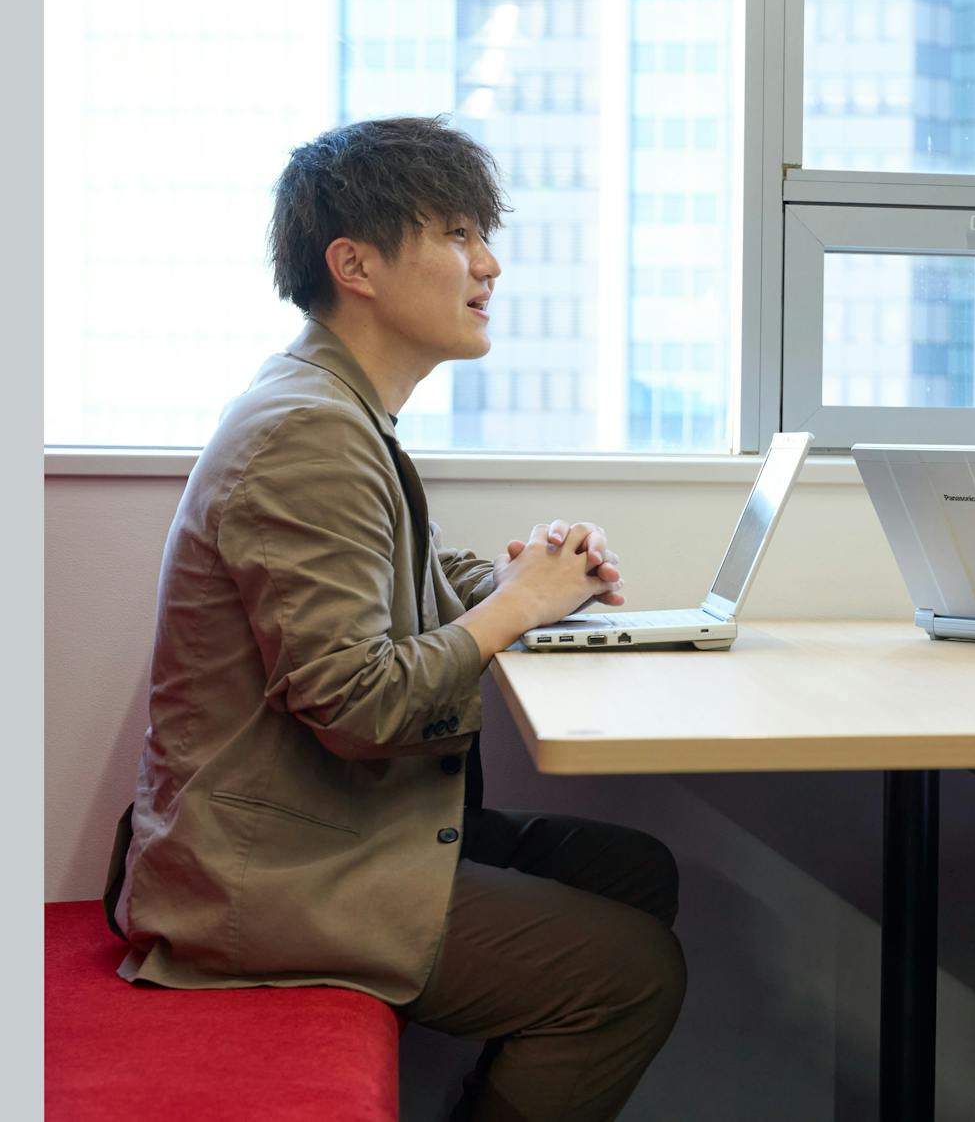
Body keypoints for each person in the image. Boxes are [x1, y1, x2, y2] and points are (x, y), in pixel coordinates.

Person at [104, 117, 686, 1122]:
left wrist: (529, 577)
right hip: (264, 876)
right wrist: (516, 605)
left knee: (631, 867)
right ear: (355, 264)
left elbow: (396, 585)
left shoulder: (337, 408)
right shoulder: (310, 432)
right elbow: (356, 704)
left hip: (324, 828)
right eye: (458, 234)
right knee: (634, 974)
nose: (489, 263)